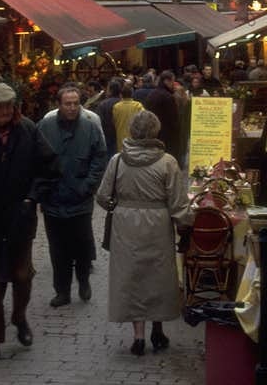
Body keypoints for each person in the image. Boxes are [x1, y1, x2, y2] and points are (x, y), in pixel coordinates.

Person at [96, 110, 194, 356]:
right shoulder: (167, 162)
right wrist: (185, 228)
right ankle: (157, 330)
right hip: (157, 224)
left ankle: (138, 336)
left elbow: (103, 196)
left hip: (125, 224)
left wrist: (118, 206)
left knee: (131, 277)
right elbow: (178, 203)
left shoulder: (117, 160)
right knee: (157, 275)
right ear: (155, 131)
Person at [0, 81, 59, 362]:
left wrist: (32, 198)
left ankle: (19, 316)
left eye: (8, 106)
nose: (4, 111)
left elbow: (49, 167)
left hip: (20, 216)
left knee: (21, 274)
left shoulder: (28, 130)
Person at [36, 82, 107, 307]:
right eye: (67, 104)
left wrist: (88, 185)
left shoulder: (90, 126)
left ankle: (83, 280)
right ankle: (62, 291)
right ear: (59, 105)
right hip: (53, 199)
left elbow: (99, 157)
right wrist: (42, 187)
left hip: (80, 199)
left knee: (83, 246)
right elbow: (35, 158)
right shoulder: (45, 126)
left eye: (76, 103)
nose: (72, 108)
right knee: (58, 250)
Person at [144, 69, 182, 166]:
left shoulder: (151, 94)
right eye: (172, 81)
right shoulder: (168, 97)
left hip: (152, 135)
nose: (173, 84)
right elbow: (173, 119)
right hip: (167, 137)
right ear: (166, 81)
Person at [96, 77, 123, 162]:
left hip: (107, 136)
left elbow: (99, 122)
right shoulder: (122, 103)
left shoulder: (103, 104)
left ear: (110, 90)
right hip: (121, 135)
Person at [112, 83, 143, 151]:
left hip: (121, 138)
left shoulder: (116, 106)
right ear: (132, 94)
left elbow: (114, 121)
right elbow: (143, 120)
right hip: (134, 138)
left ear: (121, 95)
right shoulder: (138, 105)